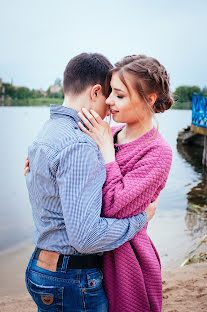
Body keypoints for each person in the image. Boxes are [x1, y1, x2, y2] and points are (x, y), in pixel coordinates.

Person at [24, 53, 158, 312]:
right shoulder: (79, 145)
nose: (109, 108)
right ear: (95, 92)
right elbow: (86, 238)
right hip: (70, 277)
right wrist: (141, 218)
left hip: (42, 266)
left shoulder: (47, 131)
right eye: (108, 99)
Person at [77, 54, 173, 312]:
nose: (108, 101)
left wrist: (107, 151)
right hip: (90, 257)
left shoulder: (157, 152)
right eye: (110, 93)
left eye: (119, 95)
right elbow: (71, 157)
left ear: (149, 99)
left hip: (127, 263)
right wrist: (42, 158)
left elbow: (111, 207)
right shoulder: (111, 133)